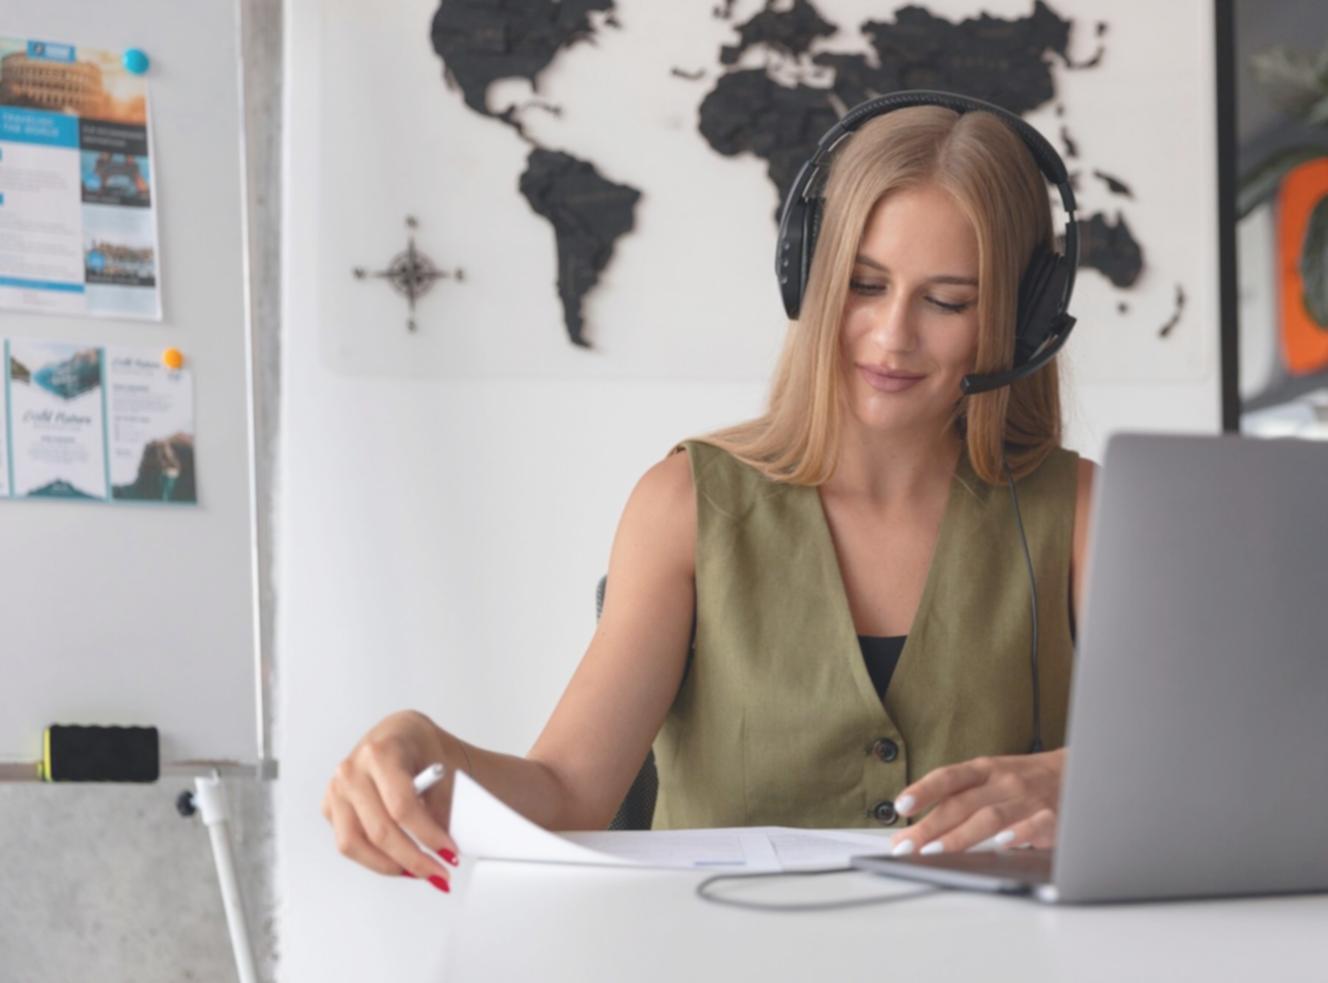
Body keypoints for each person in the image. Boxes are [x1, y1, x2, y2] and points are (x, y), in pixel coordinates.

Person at [322, 98, 1096, 893]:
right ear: (809, 275)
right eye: (864, 284)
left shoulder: (1080, 514)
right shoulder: (683, 505)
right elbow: (567, 789)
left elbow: (1218, 752)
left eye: (946, 301)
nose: (892, 335)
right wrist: (427, 751)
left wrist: (1090, 777)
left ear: (1020, 318)